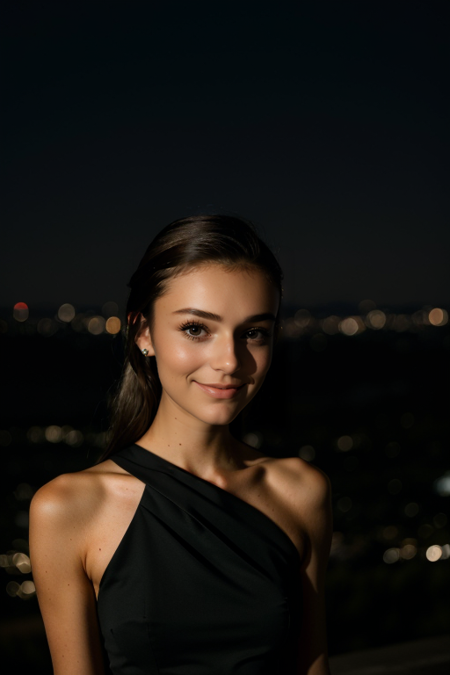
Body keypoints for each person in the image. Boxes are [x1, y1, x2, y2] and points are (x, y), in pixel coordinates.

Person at [29, 214, 332, 675]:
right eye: (196, 328)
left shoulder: (300, 492)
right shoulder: (68, 509)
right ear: (143, 332)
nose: (230, 361)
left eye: (254, 332)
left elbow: (313, 667)